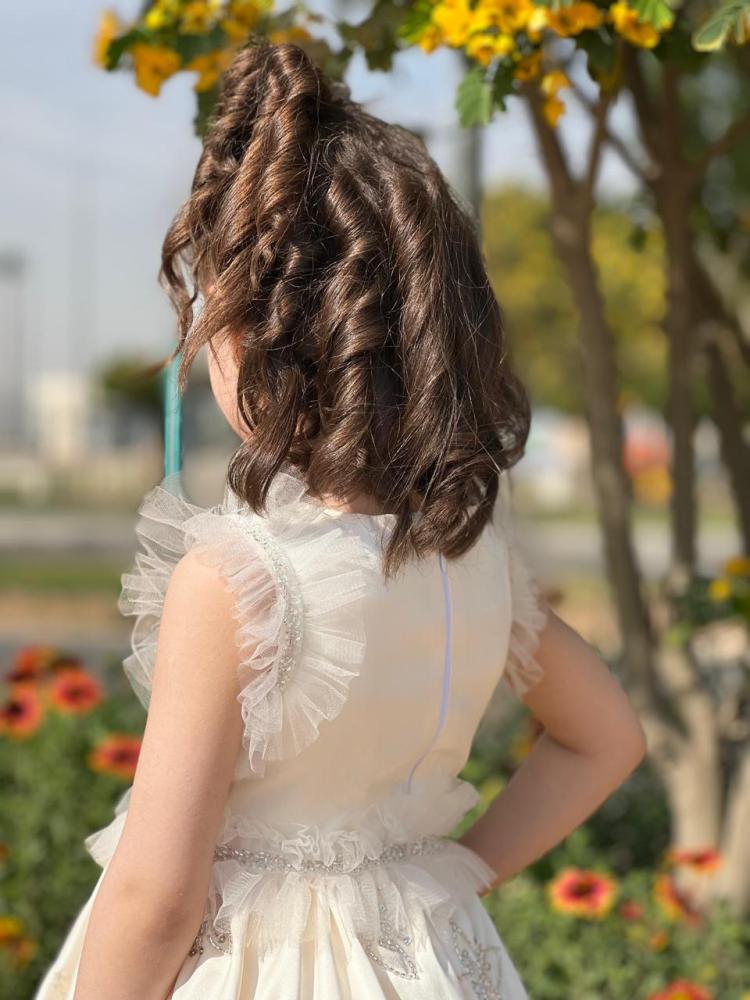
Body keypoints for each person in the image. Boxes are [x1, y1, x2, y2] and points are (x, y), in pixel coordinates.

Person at [35, 40, 646, 1000]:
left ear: (257, 334)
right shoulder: (474, 559)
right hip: (431, 962)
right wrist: (452, 876)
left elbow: (155, 897)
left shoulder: (238, 582)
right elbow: (606, 738)